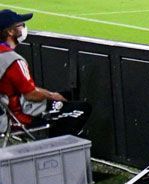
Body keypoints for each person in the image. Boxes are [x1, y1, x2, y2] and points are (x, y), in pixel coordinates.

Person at [0, 10, 90, 138]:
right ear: (10, 31)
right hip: (16, 118)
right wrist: (52, 96)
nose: (24, 28)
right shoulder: (13, 61)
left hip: (5, 112)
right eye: (21, 25)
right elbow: (31, 94)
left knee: (62, 96)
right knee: (81, 108)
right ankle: (57, 151)